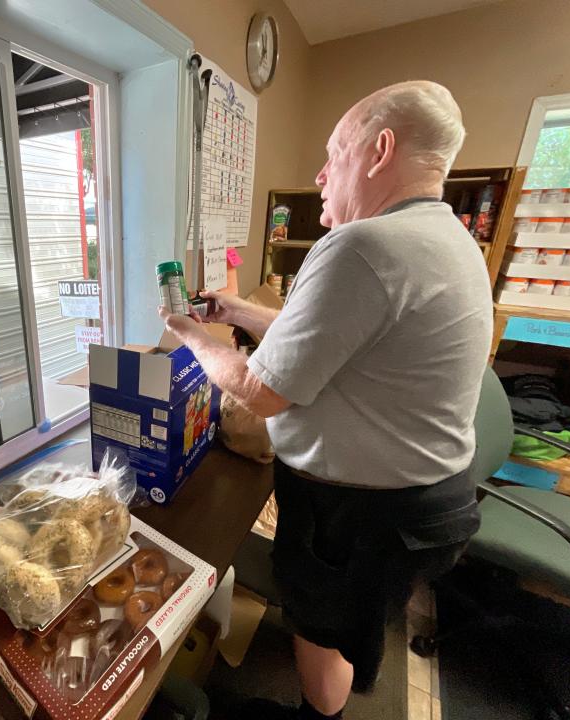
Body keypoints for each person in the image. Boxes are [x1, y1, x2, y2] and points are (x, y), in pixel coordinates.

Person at [160, 81, 493, 719]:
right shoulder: (446, 239)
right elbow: (334, 338)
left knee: (321, 625)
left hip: (364, 512)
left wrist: (190, 336)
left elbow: (261, 392)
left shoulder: (363, 247)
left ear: (379, 149)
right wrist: (235, 310)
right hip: (426, 497)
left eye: (335, 151)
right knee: (347, 622)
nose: (319, 175)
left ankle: (320, 714)